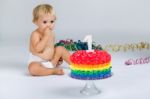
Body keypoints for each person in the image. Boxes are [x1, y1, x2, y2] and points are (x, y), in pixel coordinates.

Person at [28, 4, 71, 76]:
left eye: (52, 21)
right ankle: (52, 71)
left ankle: (76, 64)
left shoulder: (52, 33)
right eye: (45, 22)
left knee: (60, 48)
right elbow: (38, 49)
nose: (49, 25)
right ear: (36, 22)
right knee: (32, 68)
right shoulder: (35, 34)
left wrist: (57, 57)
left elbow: (50, 47)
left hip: (51, 62)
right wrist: (45, 37)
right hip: (38, 63)